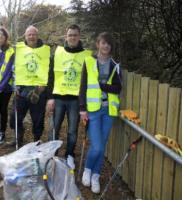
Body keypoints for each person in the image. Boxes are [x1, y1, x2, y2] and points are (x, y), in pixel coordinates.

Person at [79, 32, 122, 193]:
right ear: (98, 44)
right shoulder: (89, 62)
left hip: (109, 110)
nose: (106, 46)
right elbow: (83, 87)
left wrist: (103, 86)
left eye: (109, 44)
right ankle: (88, 169)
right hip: (93, 110)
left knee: (101, 145)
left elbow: (118, 88)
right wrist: (82, 108)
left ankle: (95, 175)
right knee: (96, 146)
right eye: (103, 43)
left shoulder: (115, 65)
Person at [46, 24, 90, 169]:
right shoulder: (57, 53)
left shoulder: (87, 55)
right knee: (54, 128)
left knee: (72, 130)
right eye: (70, 35)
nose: (72, 37)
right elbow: (51, 76)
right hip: (58, 97)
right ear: (66, 36)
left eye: (75, 35)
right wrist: (50, 97)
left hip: (75, 99)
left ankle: (69, 155)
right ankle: (52, 156)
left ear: (79, 36)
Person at [9, 25, 51, 147]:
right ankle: (19, 136)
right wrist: (15, 87)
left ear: (37, 36)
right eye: (29, 34)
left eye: (34, 34)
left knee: (38, 120)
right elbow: (14, 70)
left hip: (38, 90)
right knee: (14, 117)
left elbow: (49, 70)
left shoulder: (45, 51)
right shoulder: (19, 50)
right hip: (21, 90)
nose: (32, 36)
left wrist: (44, 86)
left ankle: (36, 141)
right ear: (25, 36)